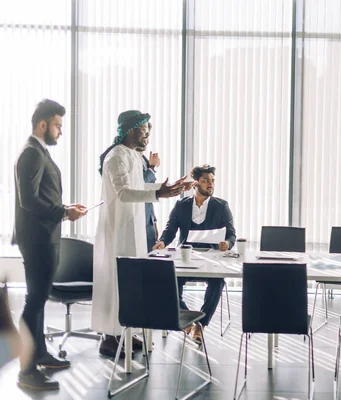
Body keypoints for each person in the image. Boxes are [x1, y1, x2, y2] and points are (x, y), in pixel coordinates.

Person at [92, 110, 190, 359]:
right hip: (118, 228)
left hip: (133, 227)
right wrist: (159, 194)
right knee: (117, 281)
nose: (148, 133)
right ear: (129, 129)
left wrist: (166, 188)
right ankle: (110, 337)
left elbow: (139, 187)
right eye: (144, 128)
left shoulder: (134, 156)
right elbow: (124, 192)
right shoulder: (115, 157)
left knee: (131, 283)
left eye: (149, 128)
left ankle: (125, 332)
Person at [12, 99, 87, 390]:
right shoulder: (31, 153)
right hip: (38, 239)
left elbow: (42, 194)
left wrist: (65, 207)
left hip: (45, 236)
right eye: (57, 125)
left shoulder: (38, 152)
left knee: (39, 301)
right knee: (33, 303)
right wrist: (63, 212)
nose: (60, 132)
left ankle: (40, 353)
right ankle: (27, 371)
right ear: (43, 124)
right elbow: (29, 200)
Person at [153, 164, 235, 343]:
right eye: (205, 181)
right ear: (196, 183)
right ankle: (186, 322)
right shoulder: (181, 205)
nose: (210, 184)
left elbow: (231, 234)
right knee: (169, 281)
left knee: (218, 282)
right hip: (186, 257)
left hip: (212, 257)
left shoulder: (221, 206)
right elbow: (170, 229)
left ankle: (201, 325)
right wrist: (162, 242)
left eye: (212, 181)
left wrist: (227, 243)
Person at [137, 122, 161, 252]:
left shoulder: (144, 159)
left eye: (148, 136)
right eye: (145, 136)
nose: (147, 140)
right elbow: (139, 186)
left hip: (149, 221)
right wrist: (152, 168)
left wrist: (154, 222)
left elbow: (149, 193)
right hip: (138, 221)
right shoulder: (129, 158)